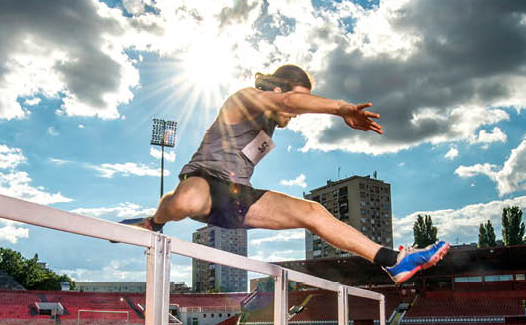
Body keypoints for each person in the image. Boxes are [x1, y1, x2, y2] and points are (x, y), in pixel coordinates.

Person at [122, 64, 448, 283]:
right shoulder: (244, 99)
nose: (295, 112)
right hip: (203, 179)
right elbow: (291, 100)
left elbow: (289, 104)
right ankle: (155, 222)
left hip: (237, 197)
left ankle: (392, 260)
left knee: (313, 211)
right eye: (294, 103)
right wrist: (340, 108)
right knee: (188, 200)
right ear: (277, 91)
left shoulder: (270, 125)